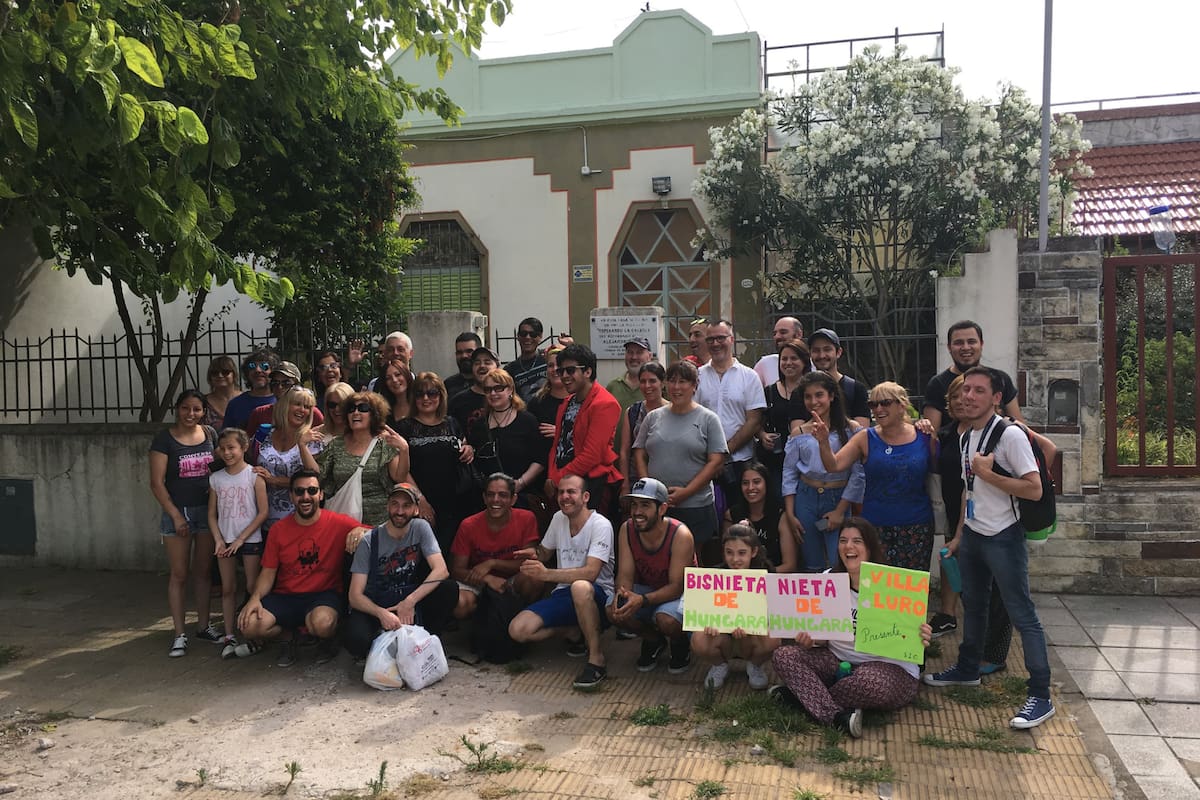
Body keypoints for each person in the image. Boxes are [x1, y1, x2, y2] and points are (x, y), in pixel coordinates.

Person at [924, 367, 1057, 730]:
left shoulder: (1010, 435)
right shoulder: (968, 435)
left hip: (1004, 537)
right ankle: (968, 668)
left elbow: (1034, 489)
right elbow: (969, 491)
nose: (968, 396)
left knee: (1022, 614)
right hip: (974, 536)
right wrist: (958, 536)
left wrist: (989, 474)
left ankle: (1041, 695)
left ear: (997, 398)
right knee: (975, 607)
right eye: (965, 389)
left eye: (978, 391)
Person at [771, 518, 934, 738]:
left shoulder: (894, 585)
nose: (849, 546)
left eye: (857, 541)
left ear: (870, 547)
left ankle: (803, 697)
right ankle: (837, 716)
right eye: (843, 540)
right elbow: (823, 635)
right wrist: (811, 640)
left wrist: (921, 635)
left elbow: (912, 635)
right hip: (838, 662)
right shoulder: (828, 579)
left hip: (889, 669)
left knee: (870, 684)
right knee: (784, 656)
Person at [237, 470, 369, 667]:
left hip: (323, 594)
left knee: (322, 624)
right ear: (291, 496)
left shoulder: (337, 522)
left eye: (312, 490)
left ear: (321, 494)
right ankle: (289, 636)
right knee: (249, 626)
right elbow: (268, 572)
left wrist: (360, 529)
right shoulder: (278, 530)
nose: (305, 496)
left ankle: (327, 638)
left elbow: (376, 532)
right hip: (286, 596)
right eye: (299, 491)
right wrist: (254, 598)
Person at [813, 382, 936, 572]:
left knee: (911, 587)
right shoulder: (865, 437)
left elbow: (938, 470)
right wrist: (823, 442)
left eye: (885, 403)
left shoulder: (924, 435)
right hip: (875, 526)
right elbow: (834, 465)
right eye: (873, 404)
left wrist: (927, 426)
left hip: (917, 524)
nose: (878, 409)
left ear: (902, 405)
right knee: (876, 586)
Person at [509, 474, 616, 690]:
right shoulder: (559, 518)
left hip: (597, 595)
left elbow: (591, 573)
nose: (565, 497)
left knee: (580, 586)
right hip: (564, 592)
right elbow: (545, 552)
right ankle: (572, 631)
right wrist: (534, 553)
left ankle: (596, 659)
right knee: (518, 630)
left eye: (571, 492)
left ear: (585, 497)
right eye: (561, 492)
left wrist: (546, 574)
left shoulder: (601, 525)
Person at [343, 482, 458, 659]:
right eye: (395, 504)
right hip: (377, 602)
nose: (400, 511)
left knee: (448, 589)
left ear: (416, 510)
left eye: (406, 505)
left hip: (407, 597)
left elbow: (441, 570)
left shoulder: (421, 528)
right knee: (356, 640)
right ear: (387, 506)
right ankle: (381, 643)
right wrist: (381, 614)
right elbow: (355, 596)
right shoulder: (369, 541)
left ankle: (425, 639)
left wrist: (410, 601)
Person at [632, 360, 726, 560]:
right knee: (659, 558)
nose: (676, 387)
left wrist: (686, 492)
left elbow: (716, 461)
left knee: (693, 560)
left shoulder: (708, 419)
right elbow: (639, 451)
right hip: (657, 505)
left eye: (683, 382)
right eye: (672, 381)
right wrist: (649, 489)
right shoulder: (653, 417)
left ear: (694, 386)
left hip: (695, 505)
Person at [149, 389, 219, 657]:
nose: (191, 414)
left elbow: (220, 466)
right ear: (177, 409)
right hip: (178, 512)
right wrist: (176, 515)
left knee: (203, 572)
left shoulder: (210, 435)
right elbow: (156, 483)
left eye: (197, 409)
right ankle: (179, 633)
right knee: (179, 574)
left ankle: (203, 626)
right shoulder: (164, 440)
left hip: (207, 512)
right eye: (186, 408)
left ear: (204, 412)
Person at [606, 478, 696, 674]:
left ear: (662, 509)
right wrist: (622, 595)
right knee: (614, 609)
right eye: (634, 505)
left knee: (666, 620)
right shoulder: (627, 528)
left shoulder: (680, 535)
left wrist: (642, 600)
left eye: (645, 505)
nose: (637, 511)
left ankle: (679, 642)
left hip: (680, 595)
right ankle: (653, 640)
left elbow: (677, 587)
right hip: (648, 589)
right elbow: (625, 575)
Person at [783, 372, 866, 572]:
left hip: (838, 497)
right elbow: (789, 473)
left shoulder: (852, 430)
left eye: (819, 395)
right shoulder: (799, 433)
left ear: (831, 396)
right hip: (806, 497)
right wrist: (790, 513)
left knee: (840, 560)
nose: (813, 402)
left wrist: (840, 511)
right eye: (808, 396)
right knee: (812, 562)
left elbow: (858, 474)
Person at [690, 525, 779, 690]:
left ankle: (755, 666)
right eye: (729, 552)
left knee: (773, 637)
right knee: (698, 639)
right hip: (722, 639)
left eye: (742, 553)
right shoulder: (714, 576)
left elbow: (775, 614)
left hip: (752, 638)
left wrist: (752, 627)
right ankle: (719, 665)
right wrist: (707, 623)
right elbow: (701, 610)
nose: (735, 559)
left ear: (753, 551)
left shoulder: (767, 575)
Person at [395, 373, 475, 551]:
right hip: (420, 501)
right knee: (425, 553)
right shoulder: (403, 427)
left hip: (455, 502)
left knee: (452, 552)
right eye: (420, 394)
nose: (426, 398)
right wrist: (419, 499)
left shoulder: (452, 423)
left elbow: (464, 445)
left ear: (441, 395)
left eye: (432, 393)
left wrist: (469, 449)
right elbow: (400, 469)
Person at [207, 427, 268, 658]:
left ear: (243, 447)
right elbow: (212, 514)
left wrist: (242, 538)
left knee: (252, 587)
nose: (227, 453)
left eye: (231, 447)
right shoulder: (216, 478)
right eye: (222, 448)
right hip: (225, 541)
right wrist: (218, 539)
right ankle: (229, 634)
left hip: (250, 539)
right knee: (228, 588)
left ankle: (254, 633)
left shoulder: (254, 475)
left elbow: (263, 512)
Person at [307, 391, 408, 529]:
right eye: (351, 409)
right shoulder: (336, 445)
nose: (355, 413)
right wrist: (302, 446)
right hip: (344, 523)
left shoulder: (384, 444)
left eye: (363, 408)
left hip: (378, 525)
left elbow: (399, 477)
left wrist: (404, 450)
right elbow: (318, 475)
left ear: (374, 414)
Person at [450, 473, 541, 618]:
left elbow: (527, 562)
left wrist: (493, 563)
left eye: (502, 495)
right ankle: (482, 620)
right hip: (478, 580)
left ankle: (524, 617)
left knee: (534, 577)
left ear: (513, 499)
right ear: (484, 498)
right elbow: (457, 570)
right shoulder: (468, 525)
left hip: (512, 579)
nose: (496, 500)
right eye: (490, 494)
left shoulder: (527, 518)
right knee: (460, 605)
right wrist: (488, 579)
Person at [546, 344, 623, 513]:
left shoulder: (605, 403)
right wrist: (552, 476)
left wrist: (558, 479)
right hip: (563, 483)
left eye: (570, 370)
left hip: (591, 484)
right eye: (561, 371)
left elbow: (592, 455)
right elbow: (557, 444)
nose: (564, 376)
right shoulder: (568, 401)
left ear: (588, 371)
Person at [695, 319, 766, 500]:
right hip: (703, 462)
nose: (715, 344)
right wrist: (712, 456)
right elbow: (692, 417)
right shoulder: (697, 376)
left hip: (741, 463)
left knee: (739, 512)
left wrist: (723, 453)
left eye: (720, 338)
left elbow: (754, 421)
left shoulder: (749, 376)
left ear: (732, 339)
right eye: (710, 339)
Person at [922, 320, 1022, 433]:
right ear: (949, 347)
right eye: (958, 343)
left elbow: (1019, 427)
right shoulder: (937, 384)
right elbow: (931, 434)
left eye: (971, 341)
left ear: (981, 344)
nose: (965, 347)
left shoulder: (1000, 379)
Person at [253, 387, 324, 540]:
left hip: (298, 521)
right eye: (297, 404)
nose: (302, 410)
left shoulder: (312, 441)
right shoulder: (264, 434)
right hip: (261, 520)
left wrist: (302, 445)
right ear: (285, 406)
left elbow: (314, 477)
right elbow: (247, 463)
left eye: (307, 407)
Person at [467, 368, 544, 502]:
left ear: (510, 390)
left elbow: (540, 459)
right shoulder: (479, 425)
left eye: (498, 388)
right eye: (488, 389)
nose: (493, 393)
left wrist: (520, 483)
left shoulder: (527, 421)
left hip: (521, 495)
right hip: (490, 498)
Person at [724, 461, 797, 573]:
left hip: (771, 577)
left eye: (756, 482)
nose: (750, 487)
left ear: (766, 484)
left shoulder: (781, 516)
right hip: (737, 576)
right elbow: (726, 556)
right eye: (745, 483)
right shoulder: (732, 514)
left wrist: (758, 577)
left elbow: (790, 565)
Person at [759, 339, 811, 492]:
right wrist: (763, 436)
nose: (788, 363)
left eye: (794, 358)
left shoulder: (812, 392)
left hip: (805, 460)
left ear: (804, 361)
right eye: (784, 359)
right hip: (775, 461)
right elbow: (757, 422)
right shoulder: (769, 391)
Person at [617, 362, 667, 502]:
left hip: (665, 479)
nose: (647, 386)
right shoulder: (633, 412)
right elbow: (625, 451)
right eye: (643, 381)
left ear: (662, 383)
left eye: (652, 381)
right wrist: (625, 485)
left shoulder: (673, 411)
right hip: (637, 481)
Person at [807, 329, 871, 428]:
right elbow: (799, 433)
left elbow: (862, 431)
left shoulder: (856, 389)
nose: (822, 355)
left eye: (827, 349)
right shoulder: (802, 390)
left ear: (838, 352)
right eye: (816, 350)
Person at [246, 361, 325, 433]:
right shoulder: (260, 413)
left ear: (297, 386)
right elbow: (249, 442)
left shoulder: (310, 412)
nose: (280, 387)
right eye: (275, 383)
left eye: (286, 383)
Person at [606, 337, 654, 452]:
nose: (634, 357)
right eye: (630, 352)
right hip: (616, 456)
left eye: (639, 352)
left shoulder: (657, 387)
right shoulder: (613, 387)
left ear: (650, 356)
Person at [528, 346, 569, 475]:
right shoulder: (536, 402)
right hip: (541, 472)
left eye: (559, 365)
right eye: (551, 365)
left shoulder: (579, 401)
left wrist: (561, 433)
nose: (555, 369)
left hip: (571, 471)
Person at [222, 348, 280, 430]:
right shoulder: (235, 404)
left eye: (264, 366)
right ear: (247, 373)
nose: (257, 370)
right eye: (252, 366)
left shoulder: (282, 401)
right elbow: (226, 435)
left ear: (273, 372)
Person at [449, 346, 501, 433]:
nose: (482, 366)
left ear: (498, 368)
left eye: (487, 362)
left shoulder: (507, 398)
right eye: (477, 363)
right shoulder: (457, 402)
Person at [753, 316, 805, 386]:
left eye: (783, 332)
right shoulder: (765, 364)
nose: (777, 337)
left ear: (799, 334)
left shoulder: (813, 364)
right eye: (775, 334)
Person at [505, 317, 548, 402]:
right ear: (518, 336)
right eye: (523, 334)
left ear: (540, 337)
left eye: (533, 334)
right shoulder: (510, 369)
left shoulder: (547, 358)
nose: (528, 337)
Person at [203, 356, 242, 428]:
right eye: (215, 373)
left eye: (225, 372)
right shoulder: (202, 403)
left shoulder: (246, 399)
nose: (220, 375)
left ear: (234, 374)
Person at [376, 357, 413, 427]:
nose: (394, 380)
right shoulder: (383, 411)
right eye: (388, 378)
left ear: (406, 375)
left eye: (398, 375)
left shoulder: (420, 404)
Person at [444, 332, 482, 399]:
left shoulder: (489, 383)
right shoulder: (448, 385)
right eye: (459, 352)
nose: (464, 356)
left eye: (469, 351)